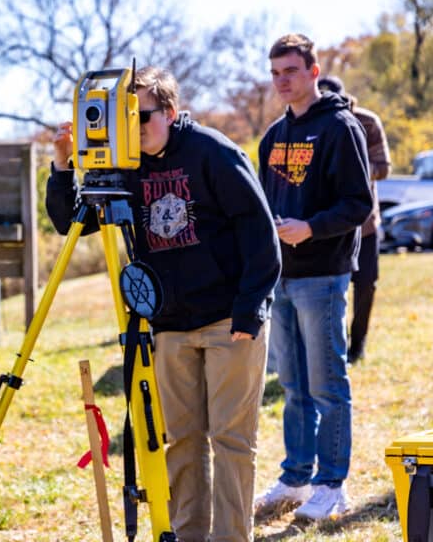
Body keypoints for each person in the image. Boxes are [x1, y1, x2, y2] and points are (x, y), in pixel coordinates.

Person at [47, 66, 281, 541]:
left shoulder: (213, 152)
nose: (134, 128)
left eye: (142, 115)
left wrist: (249, 311)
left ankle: (232, 537)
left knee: (232, 441)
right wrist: (62, 164)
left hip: (227, 320)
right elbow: (70, 221)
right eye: (125, 118)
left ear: (170, 112)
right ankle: (189, 534)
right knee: (182, 441)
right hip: (169, 326)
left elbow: (260, 235)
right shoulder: (126, 166)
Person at [254, 34, 372, 521]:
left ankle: (332, 483)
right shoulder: (273, 136)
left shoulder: (341, 128)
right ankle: (296, 478)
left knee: (327, 384)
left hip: (323, 276)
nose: (283, 80)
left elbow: (359, 204)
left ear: (313, 71)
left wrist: (310, 228)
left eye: (291, 71)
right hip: (280, 278)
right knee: (294, 386)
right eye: (276, 72)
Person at [318, 75, 391, 364]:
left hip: (364, 222)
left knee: (366, 283)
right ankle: (330, 348)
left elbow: (383, 168)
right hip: (325, 224)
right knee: (325, 289)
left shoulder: (366, 122)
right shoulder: (307, 125)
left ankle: (357, 343)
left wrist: (349, 166)